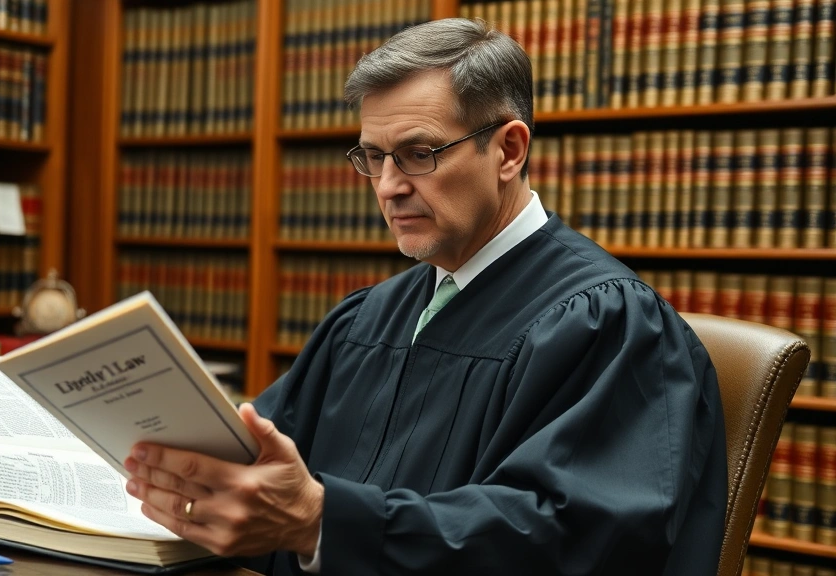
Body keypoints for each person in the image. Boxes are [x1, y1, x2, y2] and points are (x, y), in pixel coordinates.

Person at [123, 17, 727, 575]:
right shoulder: (368, 318)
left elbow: (567, 542)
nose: (388, 187)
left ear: (509, 151)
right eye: (373, 157)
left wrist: (323, 523)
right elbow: (257, 470)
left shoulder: (608, 323)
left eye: (419, 154)